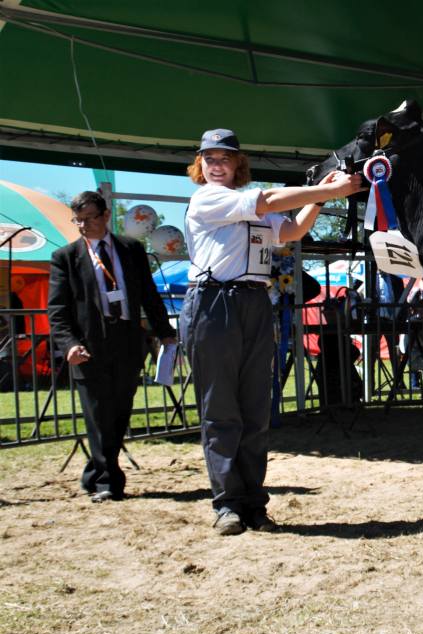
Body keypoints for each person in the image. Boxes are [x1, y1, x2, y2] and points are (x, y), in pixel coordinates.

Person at [179, 128, 364, 536]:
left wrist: (319, 195)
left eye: (224, 158)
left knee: (256, 407)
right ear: (200, 164)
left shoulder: (253, 205)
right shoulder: (209, 197)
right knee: (221, 407)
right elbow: (268, 201)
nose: (215, 164)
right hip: (213, 302)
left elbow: (292, 232)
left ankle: (253, 502)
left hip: (253, 300)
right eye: (209, 158)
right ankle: (227, 503)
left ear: (237, 163)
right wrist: (324, 191)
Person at [47, 191, 176, 503]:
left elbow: (148, 293)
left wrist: (165, 331)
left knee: (118, 413)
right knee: (98, 414)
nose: (83, 224)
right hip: (89, 345)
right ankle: (109, 481)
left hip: (128, 342)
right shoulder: (65, 257)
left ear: (106, 216)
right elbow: (57, 310)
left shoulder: (131, 249)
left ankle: (94, 470)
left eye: (90, 217)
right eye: (78, 219)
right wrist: (69, 345)